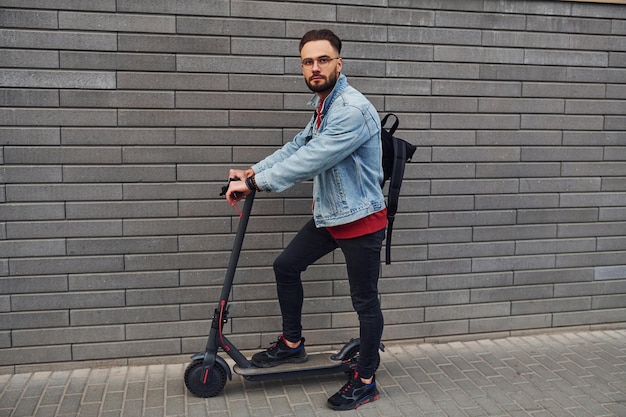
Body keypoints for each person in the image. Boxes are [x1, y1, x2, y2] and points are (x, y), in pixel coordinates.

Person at [225, 29, 386, 411]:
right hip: (332, 214)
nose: (315, 67)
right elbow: (298, 146)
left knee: (364, 301)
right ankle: (293, 344)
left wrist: (257, 184)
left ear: (338, 63)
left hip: (361, 220)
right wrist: (252, 170)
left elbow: (312, 160)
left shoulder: (349, 109)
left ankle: (366, 380)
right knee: (286, 266)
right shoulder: (324, 104)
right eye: (308, 62)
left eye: (323, 60)